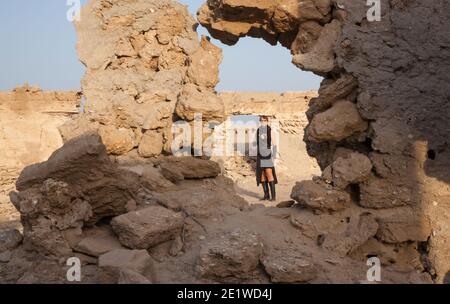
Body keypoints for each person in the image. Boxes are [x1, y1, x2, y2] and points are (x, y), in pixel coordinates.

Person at [256, 115, 278, 201]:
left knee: (269, 173)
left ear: (267, 121)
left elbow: (275, 144)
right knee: (261, 175)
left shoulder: (270, 130)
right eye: (261, 120)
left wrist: (275, 156)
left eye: (264, 120)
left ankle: (273, 197)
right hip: (259, 155)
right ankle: (266, 195)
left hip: (267, 155)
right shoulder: (258, 131)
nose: (263, 122)